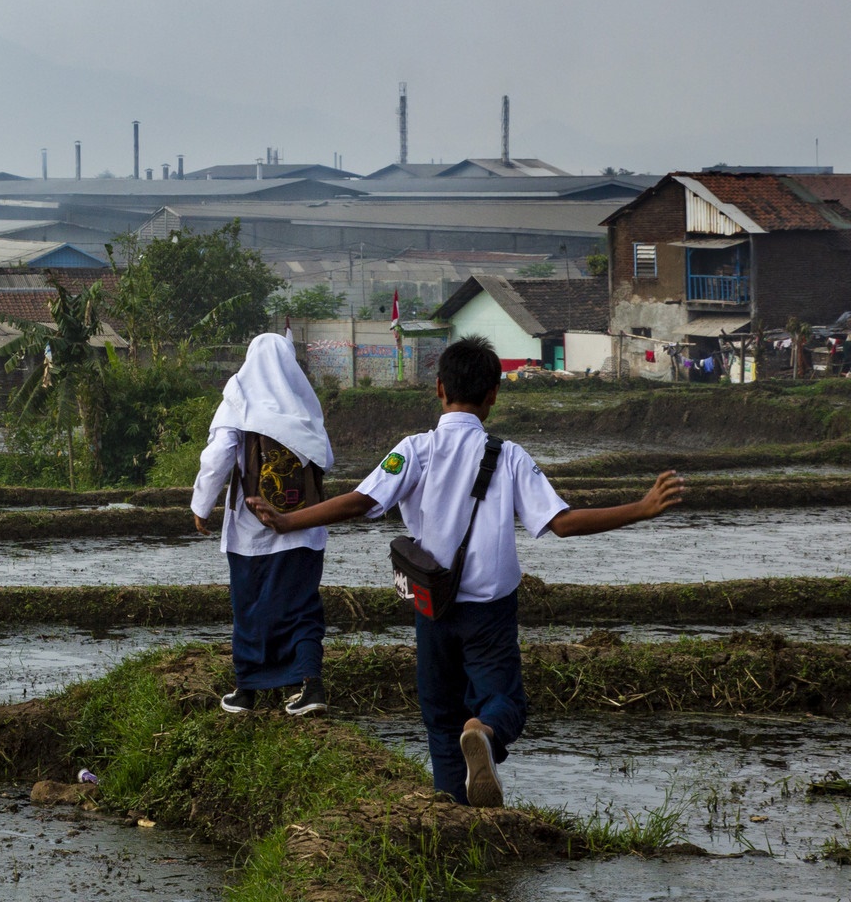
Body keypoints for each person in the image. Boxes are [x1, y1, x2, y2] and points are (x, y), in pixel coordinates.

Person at [246, 335, 683, 807]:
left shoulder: (413, 450)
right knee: (504, 704)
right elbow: (562, 523)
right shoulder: (510, 457)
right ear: (494, 393)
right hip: (489, 612)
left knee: (440, 717)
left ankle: (451, 808)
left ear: (438, 389)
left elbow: (360, 501)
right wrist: (640, 508)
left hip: (430, 604)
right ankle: (485, 732)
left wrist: (288, 520)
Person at [191, 332, 335, 717]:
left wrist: (201, 506)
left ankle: (247, 690)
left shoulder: (239, 400)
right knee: (303, 607)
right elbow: (327, 459)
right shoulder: (305, 406)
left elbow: (219, 455)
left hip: (251, 530)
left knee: (250, 607)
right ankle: (311, 686)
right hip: (304, 527)